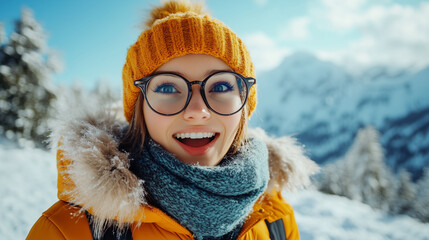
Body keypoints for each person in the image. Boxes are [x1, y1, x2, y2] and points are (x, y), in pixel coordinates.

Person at [27, 1, 318, 239]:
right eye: (167, 87)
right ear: (139, 108)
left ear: (244, 103)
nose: (197, 110)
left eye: (220, 86)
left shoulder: (274, 220)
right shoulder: (69, 231)